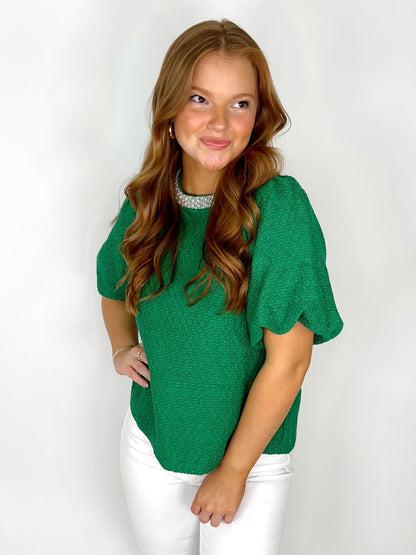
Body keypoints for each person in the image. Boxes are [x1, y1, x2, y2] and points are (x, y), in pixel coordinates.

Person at [96, 18, 343, 555]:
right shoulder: (147, 201)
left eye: (240, 104)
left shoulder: (279, 208)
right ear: (170, 108)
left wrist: (233, 471)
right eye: (199, 98)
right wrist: (121, 347)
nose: (219, 123)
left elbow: (290, 363)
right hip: (152, 444)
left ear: (258, 115)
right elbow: (112, 287)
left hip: (251, 464)